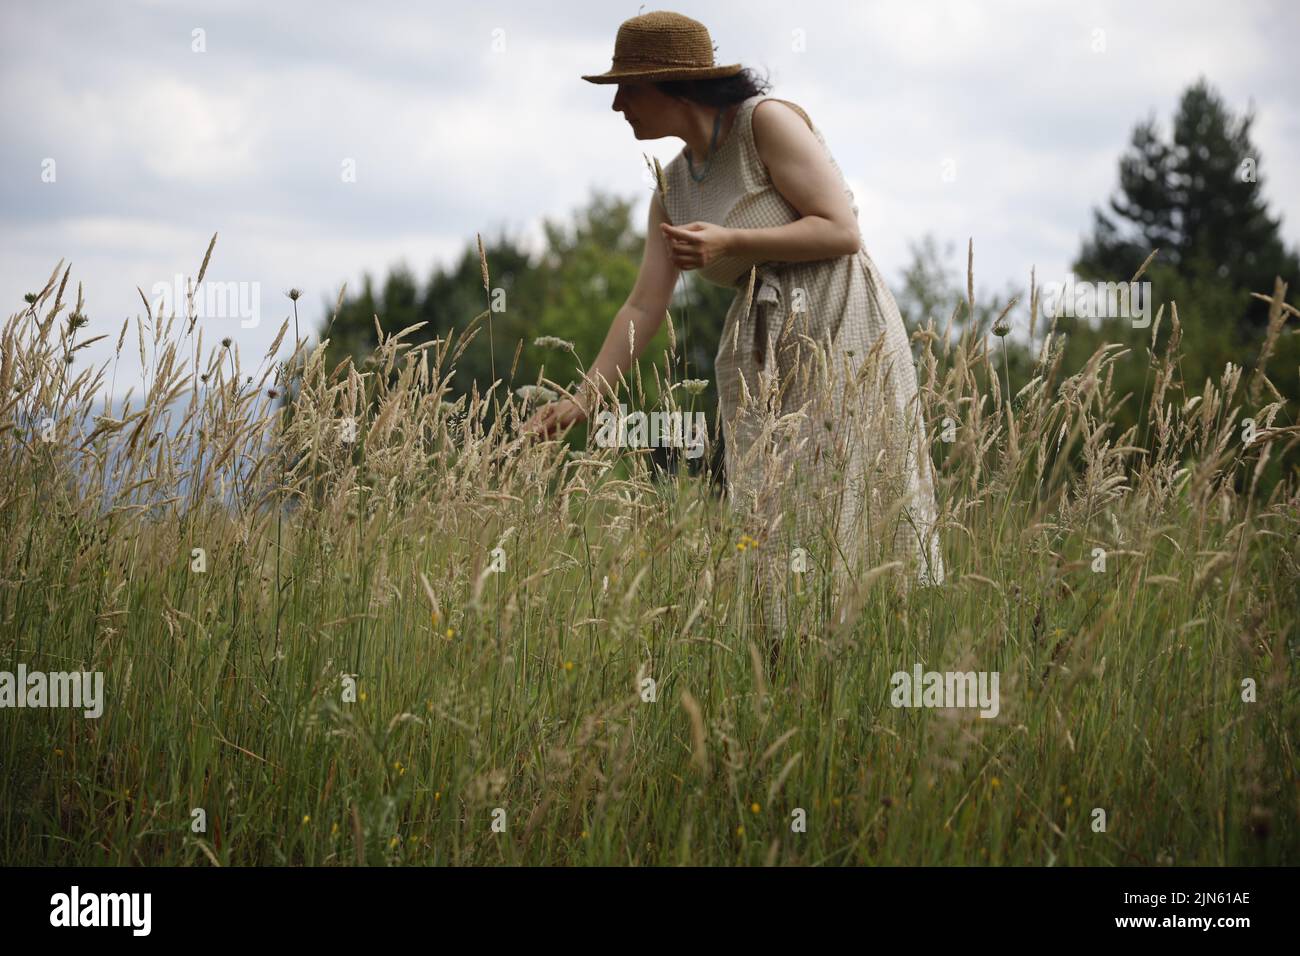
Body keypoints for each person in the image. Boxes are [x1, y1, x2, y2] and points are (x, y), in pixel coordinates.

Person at [524, 10, 944, 639]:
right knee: (774, 506)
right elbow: (643, 306)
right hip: (765, 341)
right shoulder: (671, 191)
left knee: (850, 487)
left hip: (838, 317)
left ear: (672, 84)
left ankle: (874, 646)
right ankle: (790, 660)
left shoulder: (764, 124)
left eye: (627, 88)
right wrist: (584, 399)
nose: (616, 106)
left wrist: (731, 241)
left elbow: (843, 230)